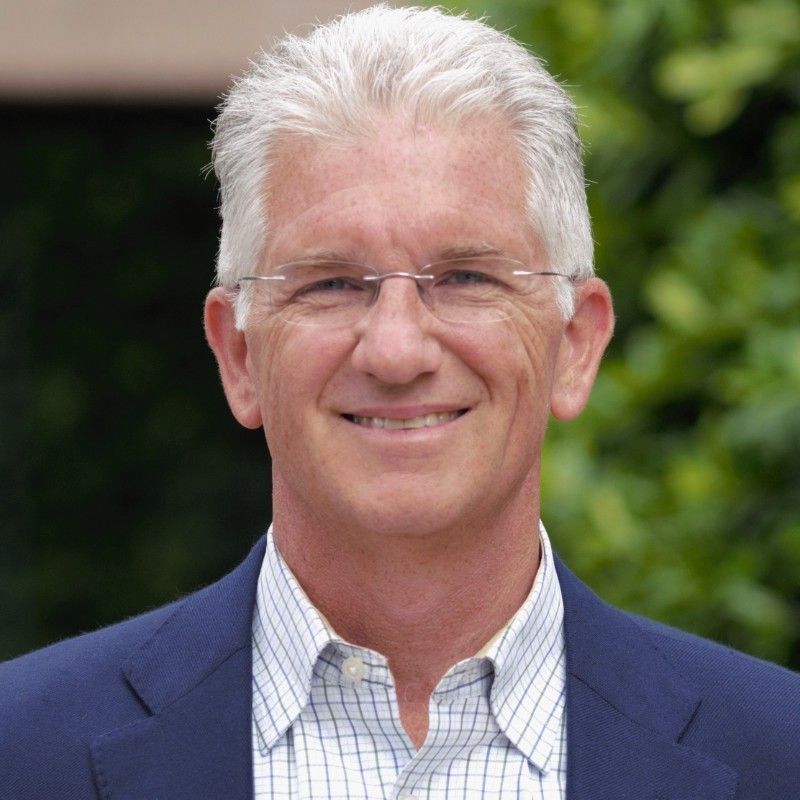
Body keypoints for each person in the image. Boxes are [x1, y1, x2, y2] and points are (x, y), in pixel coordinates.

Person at [2, 5, 798, 799]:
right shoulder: (24, 752)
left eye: (465, 278)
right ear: (239, 355)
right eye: (331, 283)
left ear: (576, 346)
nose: (395, 351)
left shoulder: (777, 755)